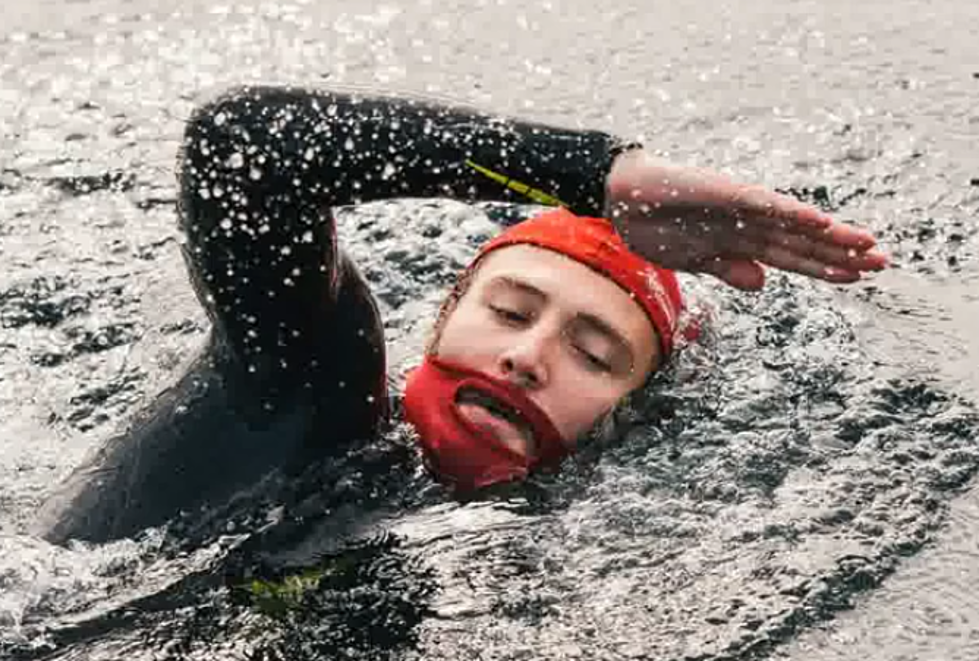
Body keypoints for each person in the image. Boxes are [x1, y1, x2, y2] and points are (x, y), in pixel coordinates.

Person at [38, 85, 886, 545]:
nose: (525, 357)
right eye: (510, 310)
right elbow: (249, 144)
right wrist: (596, 176)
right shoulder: (299, 398)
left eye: (594, 358)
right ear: (439, 321)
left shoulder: (563, 560)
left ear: (625, 421)